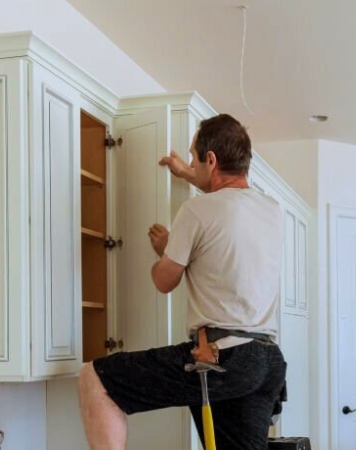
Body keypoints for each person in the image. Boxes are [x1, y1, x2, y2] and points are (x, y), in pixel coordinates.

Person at [77, 114, 286, 450]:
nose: (190, 162)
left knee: (95, 378)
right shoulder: (272, 210)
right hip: (266, 361)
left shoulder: (196, 211)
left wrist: (166, 250)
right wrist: (190, 173)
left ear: (212, 159)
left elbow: (164, 281)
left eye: (193, 156)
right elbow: (227, 196)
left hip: (222, 357)